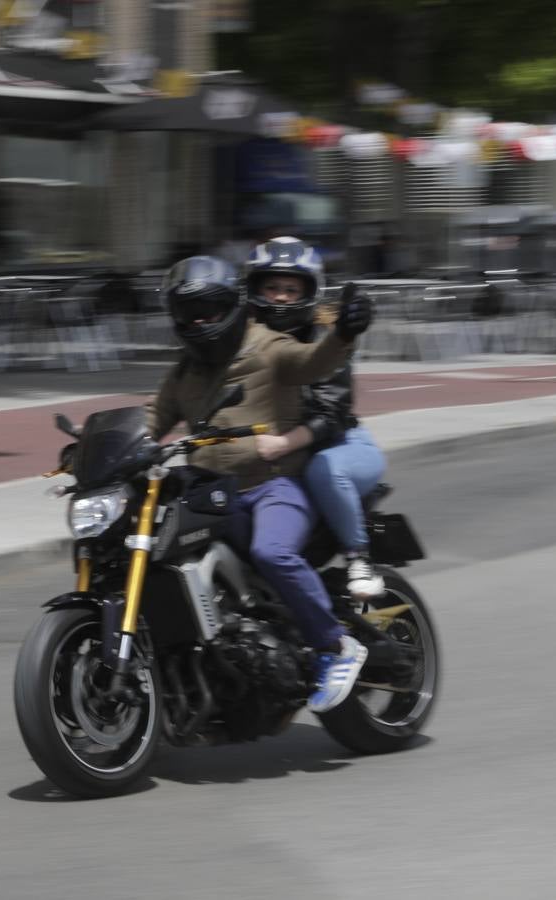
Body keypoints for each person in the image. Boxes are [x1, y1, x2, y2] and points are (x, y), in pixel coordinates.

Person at [144, 255, 374, 713]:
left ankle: (337, 646)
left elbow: (313, 362)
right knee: (157, 546)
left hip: (273, 486)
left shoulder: (269, 347)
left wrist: (345, 333)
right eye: (190, 312)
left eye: (209, 309)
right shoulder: (185, 369)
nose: (200, 320)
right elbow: (153, 417)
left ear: (231, 306)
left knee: (273, 552)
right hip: (212, 491)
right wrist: (101, 446)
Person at [244, 236, 388, 599]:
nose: (279, 296)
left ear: (308, 292)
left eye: (290, 289)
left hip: (343, 445)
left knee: (324, 468)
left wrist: (283, 443)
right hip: (280, 454)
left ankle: (358, 556)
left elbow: (333, 413)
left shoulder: (324, 341)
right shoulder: (243, 341)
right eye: (272, 287)